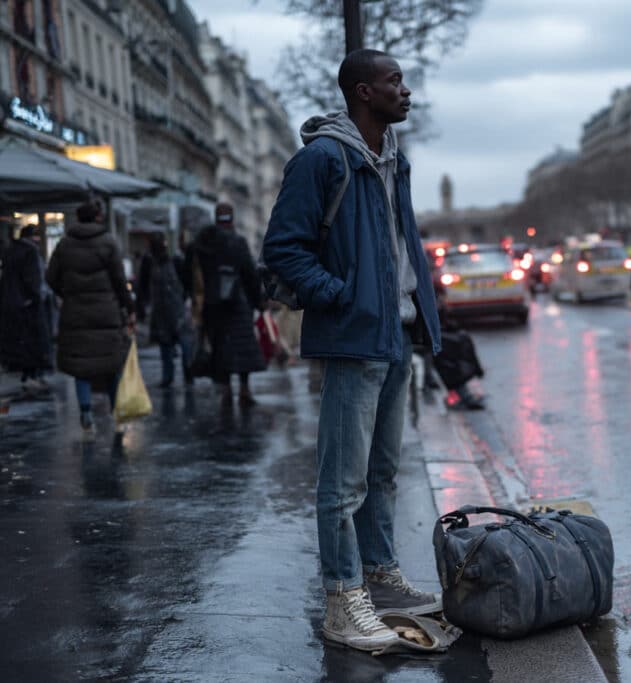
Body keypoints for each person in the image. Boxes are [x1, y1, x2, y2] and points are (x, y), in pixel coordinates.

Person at [262, 48, 443, 652]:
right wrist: (341, 297)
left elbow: (400, 246)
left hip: (395, 335)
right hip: (354, 335)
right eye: (395, 81)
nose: (406, 90)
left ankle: (380, 578)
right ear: (363, 92)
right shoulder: (321, 159)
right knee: (342, 483)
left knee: (382, 472)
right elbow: (283, 249)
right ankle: (342, 600)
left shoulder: (396, 160)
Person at [45, 201, 134, 440]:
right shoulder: (108, 243)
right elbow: (119, 279)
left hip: (75, 313)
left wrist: (69, 294)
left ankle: (86, 414)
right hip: (106, 313)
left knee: (81, 367)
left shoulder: (65, 244)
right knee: (112, 365)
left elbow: (51, 277)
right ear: (97, 217)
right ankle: (117, 416)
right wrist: (128, 306)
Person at [188, 203, 266, 408]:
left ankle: (226, 390)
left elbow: (192, 274)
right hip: (237, 303)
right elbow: (250, 273)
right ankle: (244, 389)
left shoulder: (203, 243)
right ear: (231, 218)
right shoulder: (237, 241)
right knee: (242, 348)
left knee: (220, 347)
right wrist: (259, 301)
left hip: (212, 305)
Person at [0, 224, 52, 392]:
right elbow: (33, 280)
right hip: (29, 304)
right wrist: (37, 297)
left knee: (20, 341)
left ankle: (26, 374)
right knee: (35, 340)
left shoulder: (11, 251)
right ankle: (33, 375)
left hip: (12, 303)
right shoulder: (30, 253)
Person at [146, 236, 192, 388]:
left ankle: (182, 374)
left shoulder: (175, 262)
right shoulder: (151, 263)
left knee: (180, 344)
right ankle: (175, 376)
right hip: (166, 311)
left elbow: (186, 282)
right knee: (169, 344)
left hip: (174, 310)